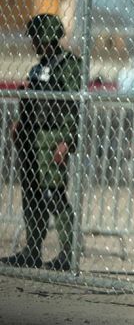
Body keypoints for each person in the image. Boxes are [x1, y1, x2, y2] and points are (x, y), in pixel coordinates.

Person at [1, 14, 81, 271]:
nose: (33, 44)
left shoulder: (69, 65)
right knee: (33, 196)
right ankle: (32, 250)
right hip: (32, 140)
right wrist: (20, 124)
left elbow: (73, 106)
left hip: (53, 137)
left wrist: (67, 141)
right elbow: (32, 101)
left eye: (37, 38)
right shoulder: (38, 68)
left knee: (54, 196)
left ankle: (67, 254)